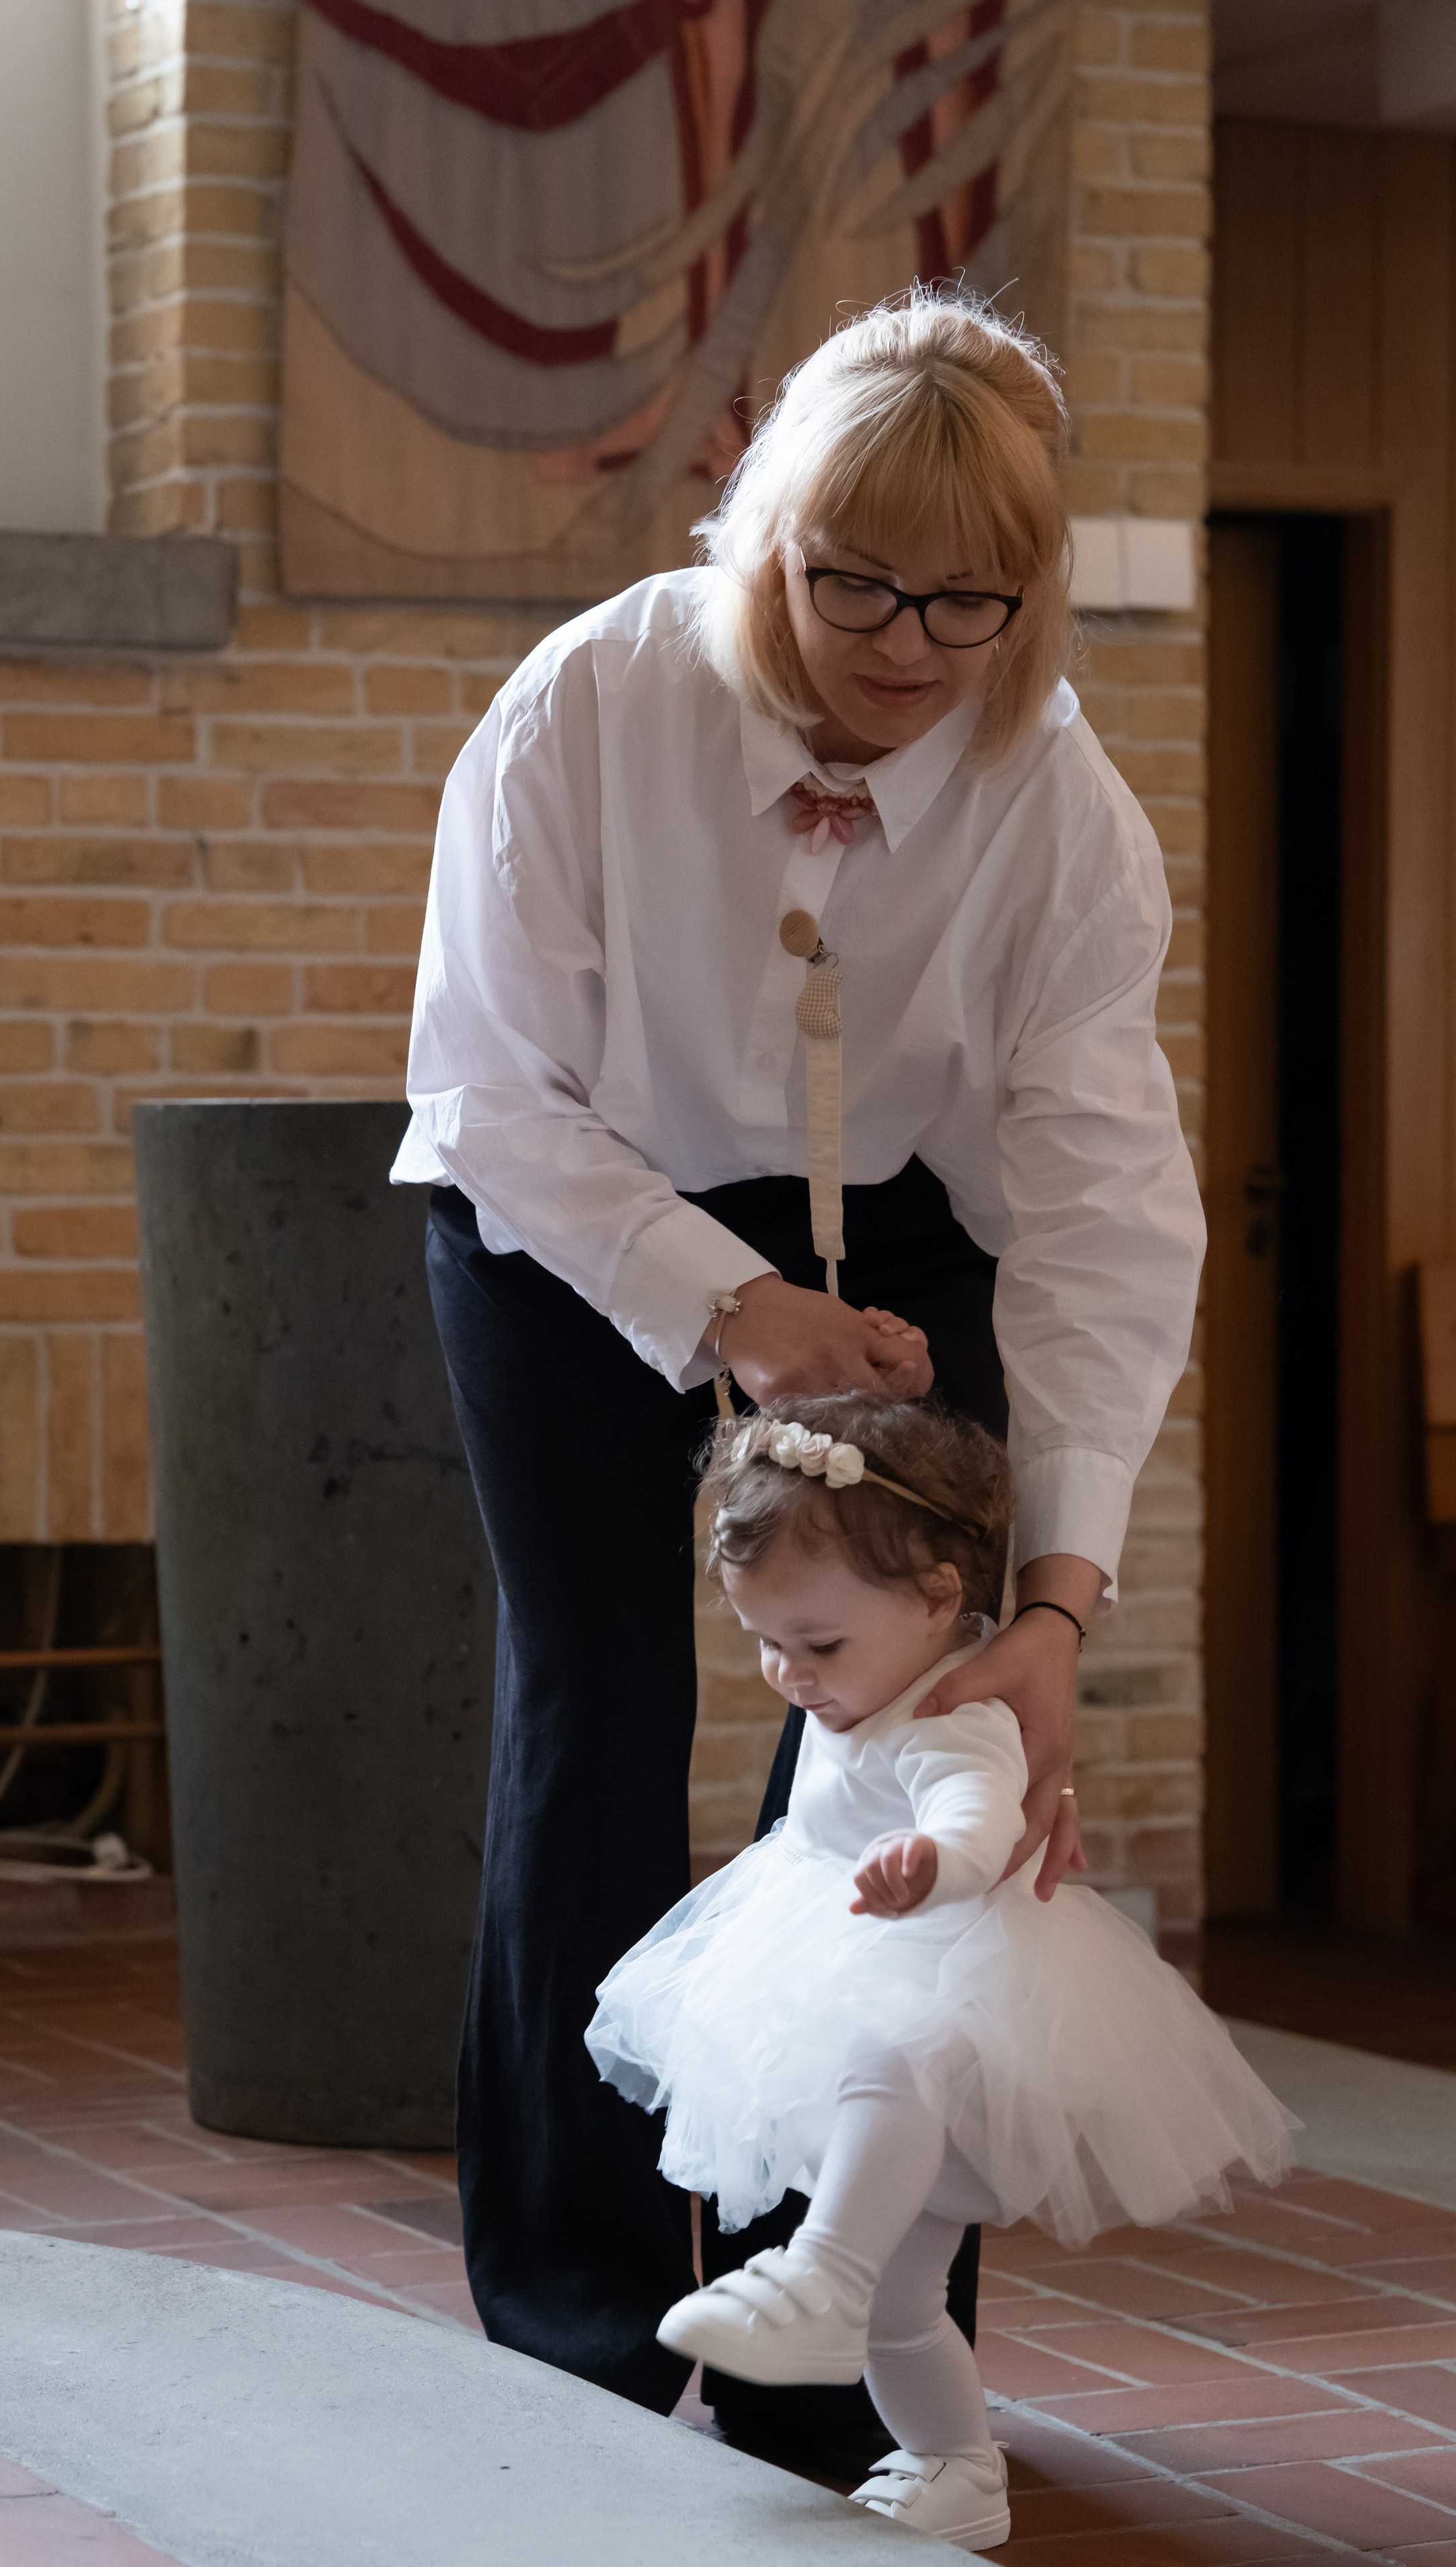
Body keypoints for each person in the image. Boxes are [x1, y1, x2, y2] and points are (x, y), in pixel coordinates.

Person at [392, 285, 1206, 2457]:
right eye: (858, 578)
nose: (908, 644)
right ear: (764, 529)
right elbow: (485, 1089)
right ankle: (573, 2316)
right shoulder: (591, 705)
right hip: (571, 1204)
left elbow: (1110, 1209)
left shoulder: (1058, 804)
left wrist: (1052, 1607)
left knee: (899, 1746)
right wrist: (726, 1304)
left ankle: (833, 2330)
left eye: (970, 599)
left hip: (907, 1218)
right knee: (602, 1701)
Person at [588, 1396, 1295, 2548]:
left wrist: (937, 1860)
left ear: (939, 1601)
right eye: (766, 1642)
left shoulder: (957, 1706)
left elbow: (979, 1814)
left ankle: (820, 2272)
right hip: (841, 1964)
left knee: (891, 2059)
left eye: (817, 1644)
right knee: (906, 2307)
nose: (789, 1675)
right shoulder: (867, 1667)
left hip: (953, 1997)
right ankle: (957, 2464)